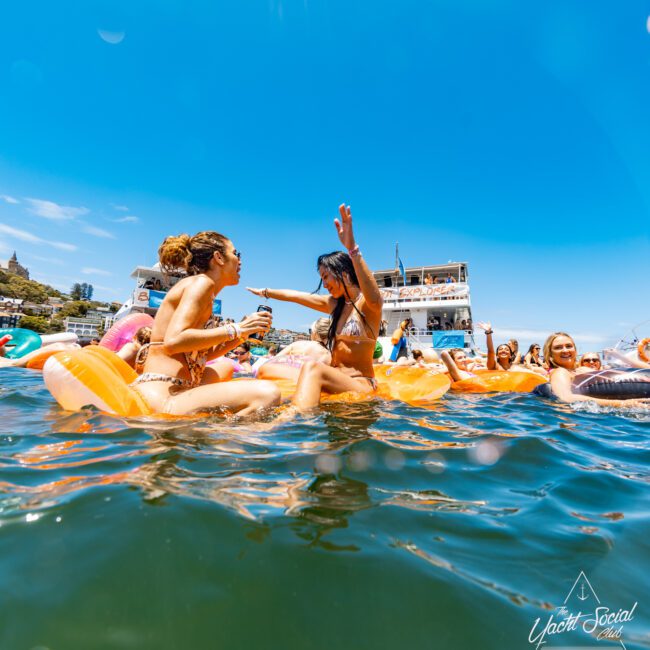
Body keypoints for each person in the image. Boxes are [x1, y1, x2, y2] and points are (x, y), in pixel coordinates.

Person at [129, 230, 280, 416]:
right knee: (268, 393)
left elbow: (202, 356)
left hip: (173, 389)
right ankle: (221, 439)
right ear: (218, 257)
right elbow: (174, 341)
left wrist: (242, 335)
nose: (239, 261)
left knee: (224, 368)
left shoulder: (203, 290)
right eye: (236, 254)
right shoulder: (201, 283)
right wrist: (236, 328)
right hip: (163, 397)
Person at [247, 203, 382, 409]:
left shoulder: (367, 305)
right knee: (270, 368)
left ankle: (291, 420)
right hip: (335, 377)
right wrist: (266, 292)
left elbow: (374, 294)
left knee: (313, 368)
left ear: (343, 273)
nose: (324, 284)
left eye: (326, 276)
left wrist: (352, 248)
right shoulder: (335, 304)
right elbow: (296, 296)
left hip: (361, 383)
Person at [544, 332, 648, 407]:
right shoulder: (560, 372)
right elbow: (565, 398)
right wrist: (623, 404)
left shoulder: (582, 370)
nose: (565, 350)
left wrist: (619, 356)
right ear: (550, 355)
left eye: (569, 346)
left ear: (575, 350)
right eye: (558, 347)